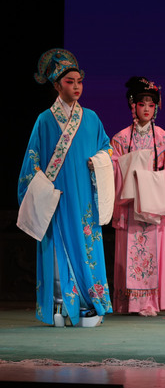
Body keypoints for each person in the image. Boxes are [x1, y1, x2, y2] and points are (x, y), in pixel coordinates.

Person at [17, 49, 114, 327]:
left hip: (83, 198)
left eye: (79, 81)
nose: (76, 87)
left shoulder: (92, 118)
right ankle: (60, 304)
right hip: (56, 198)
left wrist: (99, 161)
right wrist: (42, 190)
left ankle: (89, 305)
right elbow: (31, 161)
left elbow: (107, 149)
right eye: (70, 82)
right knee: (58, 250)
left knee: (86, 248)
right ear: (57, 86)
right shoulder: (44, 120)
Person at [109, 76, 165, 317]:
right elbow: (112, 169)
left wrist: (154, 180)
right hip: (130, 205)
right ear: (133, 105)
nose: (146, 109)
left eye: (151, 105)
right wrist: (128, 176)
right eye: (141, 104)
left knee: (152, 251)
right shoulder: (120, 139)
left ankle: (151, 302)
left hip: (152, 204)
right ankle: (127, 302)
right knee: (129, 250)